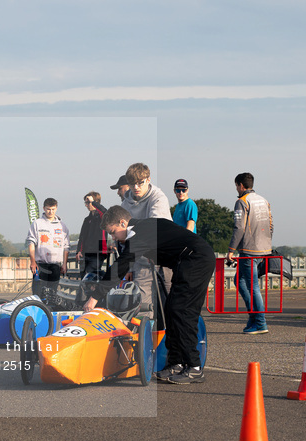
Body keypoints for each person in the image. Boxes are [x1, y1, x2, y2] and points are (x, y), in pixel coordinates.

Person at [82, 206, 216, 385]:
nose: (112, 237)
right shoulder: (142, 229)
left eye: (113, 232)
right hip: (186, 260)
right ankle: (176, 362)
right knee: (170, 310)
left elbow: (119, 266)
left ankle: (194, 367)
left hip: (196, 259)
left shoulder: (139, 233)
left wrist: (95, 297)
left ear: (123, 223)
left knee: (182, 311)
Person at [226, 172, 273, 334]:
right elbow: (271, 225)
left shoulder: (242, 202)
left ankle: (260, 322)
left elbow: (239, 227)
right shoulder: (264, 200)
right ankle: (253, 318)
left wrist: (231, 250)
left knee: (252, 286)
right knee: (239, 281)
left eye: (236, 186)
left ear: (240, 185)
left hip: (249, 250)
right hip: (264, 249)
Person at [121, 163, 173, 303]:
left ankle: (170, 325)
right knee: (142, 303)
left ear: (148, 180)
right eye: (132, 184)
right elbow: (125, 239)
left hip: (164, 255)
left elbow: (155, 226)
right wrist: (129, 267)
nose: (136, 187)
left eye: (140, 183)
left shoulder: (158, 198)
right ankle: (146, 324)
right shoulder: (125, 205)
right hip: (141, 259)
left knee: (169, 299)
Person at [26, 198, 70, 303]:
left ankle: (49, 314)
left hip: (55, 265)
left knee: (52, 294)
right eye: (48, 209)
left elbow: (66, 247)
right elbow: (31, 243)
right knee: (38, 293)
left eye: (53, 209)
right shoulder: (37, 223)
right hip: (40, 264)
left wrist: (64, 264)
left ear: (56, 208)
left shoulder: (62, 225)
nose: (51, 212)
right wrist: (33, 261)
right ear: (44, 208)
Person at [75, 192, 109, 280]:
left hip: (98, 253)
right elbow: (82, 236)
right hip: (85, 253)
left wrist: (93, 202)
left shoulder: (102, 217)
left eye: (88, 203)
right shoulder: (87, 219)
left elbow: (105, 213)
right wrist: (78, 251)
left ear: (95, 202)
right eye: (85, 203)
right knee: (83, 278)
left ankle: (93, 293)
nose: (86, 205)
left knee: (90, 276)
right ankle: (86, 294)